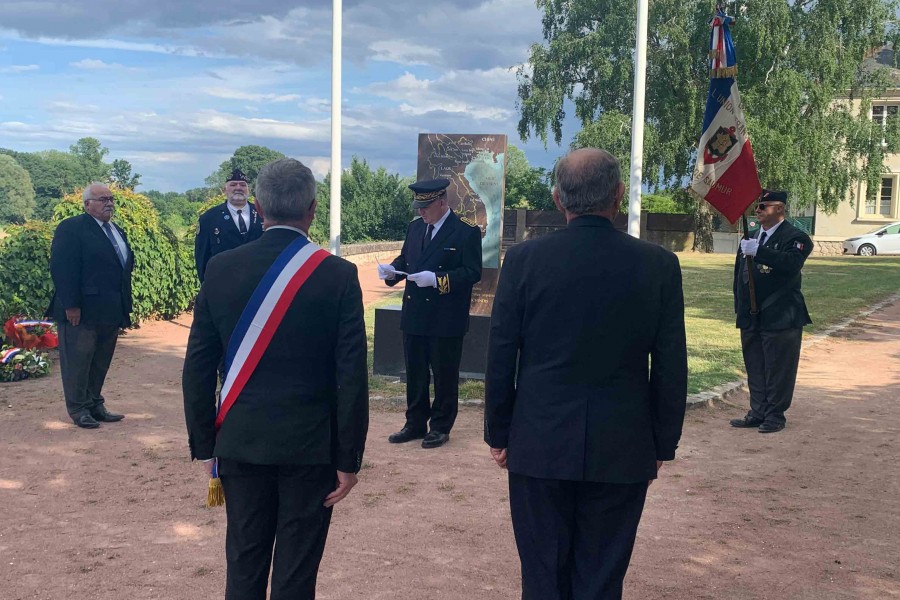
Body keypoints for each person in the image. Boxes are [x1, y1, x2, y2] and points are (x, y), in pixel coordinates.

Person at [484, 148, 687, 600]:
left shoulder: (523, 262)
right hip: (624, 444)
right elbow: (671, 364)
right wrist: (662, 441)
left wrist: (499, 432)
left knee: (542, 576)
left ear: (558, 198)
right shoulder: (658, 265)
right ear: (618, 195)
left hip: (539, 441)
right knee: (601, 578)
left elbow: (500, 354)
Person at [183, 158, 368, 600]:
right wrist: (349, 458)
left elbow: (197, 365)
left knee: (244, 565)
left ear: (260, 207)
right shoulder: (338, 275)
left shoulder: (221, 269)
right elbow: (351, 376)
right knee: (297, 572)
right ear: (312, 209)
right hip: (311, 448)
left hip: (241, 442)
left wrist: (207, 444)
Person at [378, 177, 482, 449]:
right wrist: (391, 271)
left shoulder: (464, 231)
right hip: (414, 314)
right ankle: (414, 422)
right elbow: (406, 260)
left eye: (425, 206)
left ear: (442, 202)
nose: (420, 212)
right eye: (418, 207)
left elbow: (472, 273)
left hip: (445, 316)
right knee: (415, 372)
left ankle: (440, 425)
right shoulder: (415, 228)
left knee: (445, 374)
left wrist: (438, 280)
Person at [47, 183, 133, 429]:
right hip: (81, 311)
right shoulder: (72, 228)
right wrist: (71, 304)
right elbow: (62, 268)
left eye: (111, 198)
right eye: (102, 199)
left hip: (111, 309)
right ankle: (78, 409)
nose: (109, 203)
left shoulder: (116, 230)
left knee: (100, 361)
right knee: (78, 361)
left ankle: (95, 403)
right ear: (87, 204)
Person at [730, 189, 813, 433]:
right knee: (755, 364)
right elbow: (740, 276)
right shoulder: (751, 237)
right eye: (757, 206)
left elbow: (791, 264)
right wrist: (739, 305)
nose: (758, 210)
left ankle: (775, 415)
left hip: (780, 314)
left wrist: (760, 252)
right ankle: (757, 411)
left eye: (763, 206)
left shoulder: (796, 237)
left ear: (779, 209)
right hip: (751, 314)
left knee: (778, 367)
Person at [194, 168, 264, 283]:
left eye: (242, 185)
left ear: (248, 189)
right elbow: (202, 258)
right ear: (224, 190)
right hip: (224, 286)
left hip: (258, 285)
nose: (238, 188)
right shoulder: (209, 218)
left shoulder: (263, 214)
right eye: (233, 185)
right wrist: (207, 289)